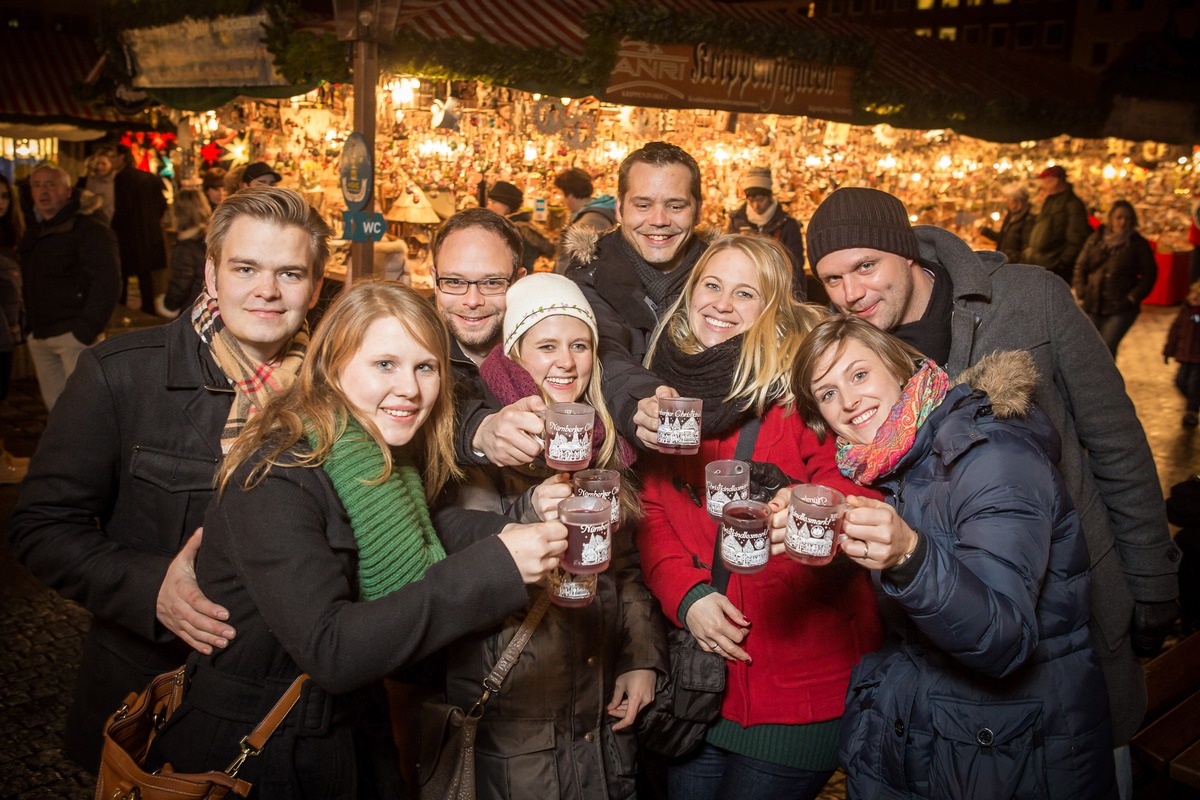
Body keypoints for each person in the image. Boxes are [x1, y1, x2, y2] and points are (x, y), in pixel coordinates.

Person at [805, 186, 1180, 797]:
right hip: (942, 629)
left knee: (1086, 759)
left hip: (1067, 607)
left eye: (865, 266)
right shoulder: (857, 347)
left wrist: (1154, 578)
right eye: (831, 279)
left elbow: (1116, 442)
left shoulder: (1030, 297)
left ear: (905, 254)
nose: (850, 293)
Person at [143, 278, 567, 795]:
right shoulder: (277, 474)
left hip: (351, 734)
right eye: (384, 364)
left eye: (425, 366)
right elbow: (332, 649)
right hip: (258, 754)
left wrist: (518, 527)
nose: (410, 388)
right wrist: (498, 565)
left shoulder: (377, 452)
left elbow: (426, 528)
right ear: (333, 367)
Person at [7, 187, 326, 770]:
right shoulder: (121, 375)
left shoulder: (338, 389)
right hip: (158, 697)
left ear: (317, 285)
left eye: (290, 272)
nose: (267, 291)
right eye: (246, 267)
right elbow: (41, 526)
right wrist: (148, 585)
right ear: (211, 272)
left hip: (296, 704)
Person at [788, 314, 1114, 798]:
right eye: (828, 393)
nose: (849, 401)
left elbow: (1004, 641)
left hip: (1013, 750)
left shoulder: (991, 457)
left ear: (900, 369)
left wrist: (910, 556)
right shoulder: (896, 467)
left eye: (859, 375)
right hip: (947, 736)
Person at [635, 235, 883, 800]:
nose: (722, 304)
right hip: (701, 685)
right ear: (689, 292)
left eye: (745, 293)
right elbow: (650, 508)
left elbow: (858, 481)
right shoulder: (663, 392)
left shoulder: (804, 388)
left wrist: (805, 503)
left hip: (798, 688)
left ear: (773, 308)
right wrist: (687, 596)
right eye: (712, 285)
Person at [443, 272, 664, 799]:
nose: (566, 362)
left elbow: (625, 567)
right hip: (516, 713)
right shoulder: (482, 441)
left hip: (595, 709)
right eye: (546, 346)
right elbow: (448, 564)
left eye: (579, 345)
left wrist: (641, 659)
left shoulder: (603, 441)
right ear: (514, 353)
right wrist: (525, 511)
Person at [563, 142, 708, 447]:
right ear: (619, 208)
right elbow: (605, 353)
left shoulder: (727, 278)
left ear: (698, 209)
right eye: (643, 205)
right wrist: (643, 401)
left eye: (675, 206)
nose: (658, 220)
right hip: (620, 463)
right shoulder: (587, 276)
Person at [17, 161, 120, 412]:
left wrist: (84, 329)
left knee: (87, 411)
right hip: (41, 334)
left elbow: (108, 281)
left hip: (74, 335)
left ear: (67, 191)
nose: (43, 191)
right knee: (56, 410)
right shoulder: (34, 230)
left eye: (51, 185)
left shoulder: (89, 228)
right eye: (37, 185)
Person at [1073, 200, 1157, 357]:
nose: (1123, 222)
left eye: (1127, 218)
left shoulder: (1137, 244)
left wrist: (1132, 297)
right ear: (1111, 218)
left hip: (1120, 306)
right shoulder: (1096, 239)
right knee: (1089, 348)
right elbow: (1080, 266)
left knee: (1107, 348)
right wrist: (1081, 290)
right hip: (1093, 303)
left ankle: (1105, 381)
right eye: (1119, 217)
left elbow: (1149, 274)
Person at [724, 166, 807, 301]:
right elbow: (727, 259)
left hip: (777, 293)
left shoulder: (787, 224)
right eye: (751, 200)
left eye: (760, 200)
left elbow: (796, 268)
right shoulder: (737, 221)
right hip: (742, 291)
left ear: (769, 196)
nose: (756, 206)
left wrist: (798, 302)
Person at [111, 144, 168, 314]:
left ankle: (120, 310)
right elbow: (162, 204)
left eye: (113, 156)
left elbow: (123, 207)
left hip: (130, 234)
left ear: (122, 157)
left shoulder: (122, 178)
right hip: (150, 232)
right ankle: (149, 310)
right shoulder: (149, 177)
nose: (111, 161)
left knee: (123, 274)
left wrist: (113, 226)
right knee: (146, 276)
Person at [0, 172, 27, 481]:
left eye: (4, 196)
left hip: (9, 325)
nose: (1, 203)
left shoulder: (13, 234)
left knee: (2, 392)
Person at [1024, 164, 1090, 284]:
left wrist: (1061, 263)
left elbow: (1077, 238)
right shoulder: (1051, 201)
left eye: (1047, 181)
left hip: (1054, 266)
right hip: (1042, 263)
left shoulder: (1072, 204)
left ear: (1055, 181)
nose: (1043, 185)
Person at [157, 187, 212, 318]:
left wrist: (168, 305)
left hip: (192, 309)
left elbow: (180, 284)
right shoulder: (210, 238)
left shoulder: (186, 248)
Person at [553, 167, 616, 273]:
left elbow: (576, 265)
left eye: (562, 195)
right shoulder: (592, 215)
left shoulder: (589, 222)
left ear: (570, 196)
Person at [486, 179, 555, 272]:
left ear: (507, 206)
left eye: (493, 202)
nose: (489, 207)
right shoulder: (512, 226)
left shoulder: (515, 230)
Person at [1165, 280, 1200, 427]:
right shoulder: (1184, 312)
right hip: (1185, 355)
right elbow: (1175, 331)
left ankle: (1191, 411)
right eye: (1194, 295)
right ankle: (1194, 400)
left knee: (1194, 383)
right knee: (1180, 381)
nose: (1195, 298)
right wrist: (1168, 350)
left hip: (1198, 358)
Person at [979, 182, 1035, 264]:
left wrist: (1010, 257)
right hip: (1006, 262)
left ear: (1017, 201)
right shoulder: (1011, 215)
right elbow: (1003, 238)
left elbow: (1026, 250)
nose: (1007, 201)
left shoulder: (1028, 218)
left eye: (1009, 199)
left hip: (1014, 266)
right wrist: (985, 231)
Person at [76, 147, 116, 225]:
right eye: (97, 163)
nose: (99, 167)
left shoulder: (117, 181)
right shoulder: (90, 179)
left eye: (103, 164)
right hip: (93, 222)